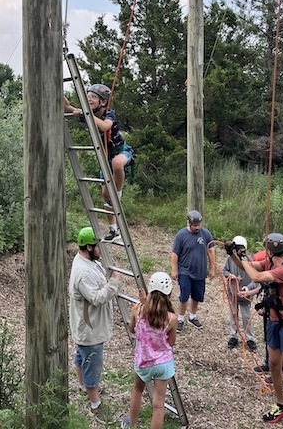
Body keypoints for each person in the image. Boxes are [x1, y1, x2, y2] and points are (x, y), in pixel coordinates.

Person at [227, 232, 283, 429]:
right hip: (274, 321)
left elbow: (254, 276)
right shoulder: (270, 264)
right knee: (273, 365)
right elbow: (243, 266)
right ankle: (282, 405)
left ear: (270, 251)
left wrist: (242, 256)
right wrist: (235, 255)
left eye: (265, 249)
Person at [64, 84, 134, 243]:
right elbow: (67, 106)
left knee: (117, 164)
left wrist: (84, 113)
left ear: (103, 102)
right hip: (105, 157)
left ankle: (118, 192)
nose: (89, 99)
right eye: (87, 96)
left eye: (93, 97)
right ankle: (113, 230)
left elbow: (105, 126)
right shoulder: (87, 114)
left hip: (121, 151)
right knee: (104, 194)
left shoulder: (109, 113)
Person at [69, 226, 120, 422]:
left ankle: (84, 386)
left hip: (88, 325)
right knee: (92, 363)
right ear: (89, 247)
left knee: (82, 357)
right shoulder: (83, 273)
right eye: (97, 246)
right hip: (90, 328)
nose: (100, 249)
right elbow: (97, 298)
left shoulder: (86, 260)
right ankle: (95, 404)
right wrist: (114, 283)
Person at [120, 272, 177, 429]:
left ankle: (131, 425)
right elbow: (171, 343)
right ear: (169, 293)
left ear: (150, 290)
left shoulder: (139, 309)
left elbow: (132, 329)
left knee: (137, 391)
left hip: (143, 361)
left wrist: (141, 307)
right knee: (158, 405)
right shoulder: (172, 318)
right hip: (163, 363)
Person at [171, 209, 215, 332]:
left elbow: (211, 251)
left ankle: (192, 316)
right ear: (189, 223)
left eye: (199, 225)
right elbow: (175, 254)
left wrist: (212, 269)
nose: (197, 228)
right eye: (195, 225)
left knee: (197, 295)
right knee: (184, 294)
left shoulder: (205, 234)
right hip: (185, 270)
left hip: (200, 272)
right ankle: (180, 318)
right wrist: (174, 270)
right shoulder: (181, 235)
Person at [222, 235, 258, 351]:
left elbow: (256, 279)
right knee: (233, 314)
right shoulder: (230, 259)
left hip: (245, 294)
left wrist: (248, 288)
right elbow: (225, 271)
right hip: (233, 292)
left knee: (246, 316)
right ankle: (233, 336)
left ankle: (249, 339)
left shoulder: (250, 261)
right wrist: (230, 275)